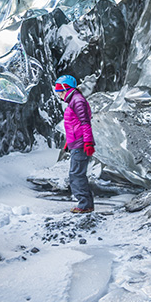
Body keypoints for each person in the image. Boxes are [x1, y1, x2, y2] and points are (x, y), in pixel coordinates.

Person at [56, 75, 96, 213]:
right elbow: (74, 125)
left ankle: (84, 205)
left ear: (66, 89)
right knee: (78, 174)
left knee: (76, 175)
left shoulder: (77, 101)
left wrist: (88, 143)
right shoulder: (74, 100)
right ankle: (87, 204)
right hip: (76, 143)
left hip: (81, 144)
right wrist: (68, 142)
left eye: (60, 92)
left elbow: (85, 123)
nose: (59, 95)